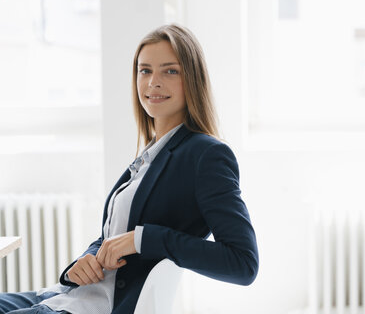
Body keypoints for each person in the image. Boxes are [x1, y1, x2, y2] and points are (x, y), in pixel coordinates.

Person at [0, 24, 259, 314]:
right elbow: (113, 237)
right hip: (66, 295)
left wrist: (144, 238)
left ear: (193, 79)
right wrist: (84, 262)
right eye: (145, 70)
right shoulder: (151, 154)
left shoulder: (206, 155)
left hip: (95, 308)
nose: (153, 83)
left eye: (170, 71)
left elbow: (243, 263)